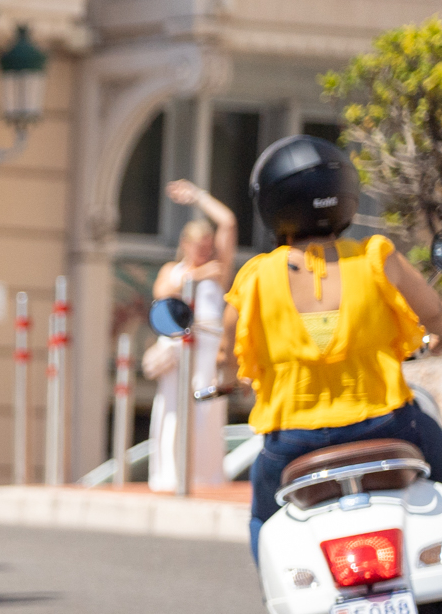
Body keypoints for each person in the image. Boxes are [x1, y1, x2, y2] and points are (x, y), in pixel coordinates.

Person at [223, 134, 442, 557]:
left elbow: (225, 353)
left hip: (293, 441)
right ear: (346, 194)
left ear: (271, 203)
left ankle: (280, 603)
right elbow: (434, 316)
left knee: (263, 521)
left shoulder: (254, 278)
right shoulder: (378, 257)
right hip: (384, 425)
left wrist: (229, 378)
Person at [146, 180, 236, 491]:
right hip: (179, 352)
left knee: (207, 413)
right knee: (173, 410)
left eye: (208, 247)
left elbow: (228, 221)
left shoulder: (219, 268)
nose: (204, 252)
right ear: (186, 244)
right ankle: (170, 475)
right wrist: (196, 275)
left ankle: (205, 476)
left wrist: (197, 196)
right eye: (199, 246)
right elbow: (162, 294)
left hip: (208, 353)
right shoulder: (174, 270)